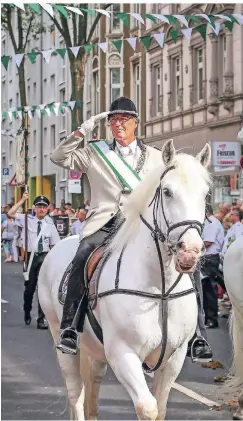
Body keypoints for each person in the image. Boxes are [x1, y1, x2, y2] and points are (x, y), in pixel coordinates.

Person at [51, 96, 210, 357]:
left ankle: (199, 335)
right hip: (105, 221)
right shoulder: (94, 152)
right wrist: (83, 130)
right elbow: (59, 157)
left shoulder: (158, 157)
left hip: (142, 223)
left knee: (189, 262)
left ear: (136, 122)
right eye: (114, 120)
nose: (118, 124)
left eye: (124, 119)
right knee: (82, 256)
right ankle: (70, 327)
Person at [8, 193, 60, 329]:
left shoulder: (50, 224)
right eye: (39, 207)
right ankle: (27, 310)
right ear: (34, 208)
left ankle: (41, 319)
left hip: (45, 256)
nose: (41, 209)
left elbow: (55, 245)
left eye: (44, 207)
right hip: (30, 257)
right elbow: (11, 213)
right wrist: (23, 200)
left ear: (47, 208)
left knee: (43, 290)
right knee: (29, 289)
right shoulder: (26, 219)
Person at [201, 205, 224, 328]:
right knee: (205, 289)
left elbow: (208, 242)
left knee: (210, 289)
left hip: (210, 259)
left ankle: (212, 319)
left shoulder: (211, 223)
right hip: (207, 258)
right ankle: (207, 318)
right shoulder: (208, 222)